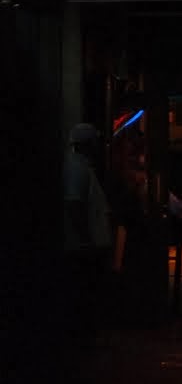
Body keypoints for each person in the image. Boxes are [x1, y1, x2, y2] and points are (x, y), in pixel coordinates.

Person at [63, 123, 112, 344]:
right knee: (84, 291)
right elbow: (75, 204)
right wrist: (85, 239)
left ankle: (84, 334)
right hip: (82, 245)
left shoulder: (81, 166)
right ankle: (82, 336)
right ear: (88, 145)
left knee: (85, 290)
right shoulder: (77, 168)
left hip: (85, 242)